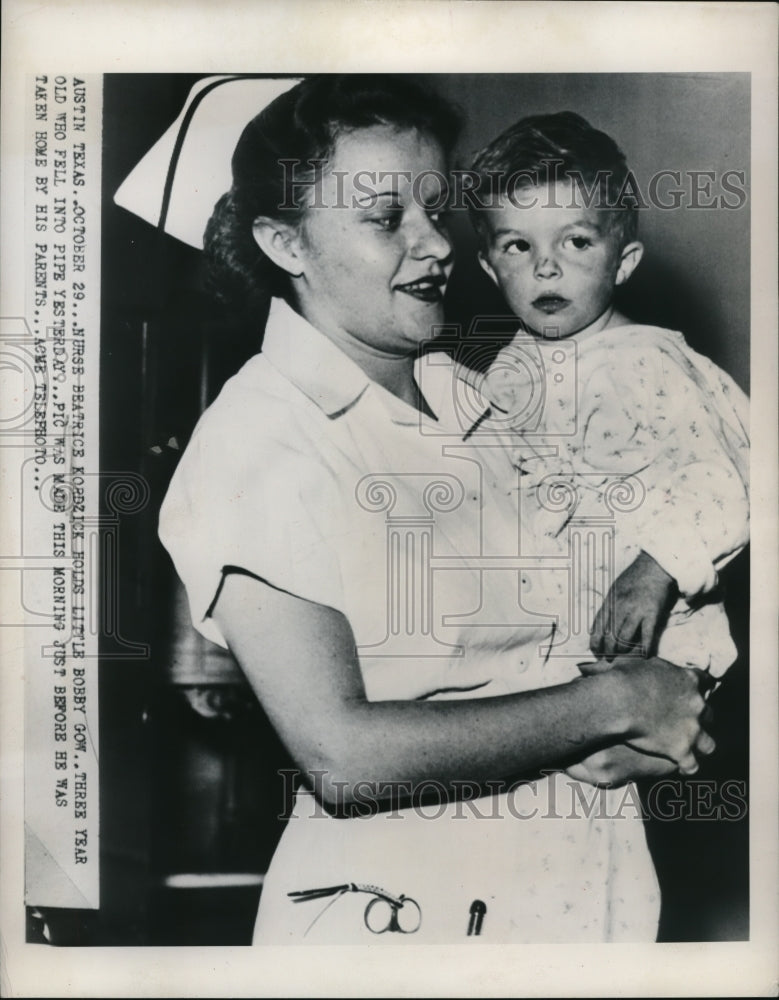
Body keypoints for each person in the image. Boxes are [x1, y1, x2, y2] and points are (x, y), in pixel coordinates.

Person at [158, 76, 714, 944]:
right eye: (385, 220)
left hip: (586, 890)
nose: (434, 245)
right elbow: (340, 756)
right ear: (284, 242)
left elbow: (604, 609)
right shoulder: (260, 441)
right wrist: (613, 707)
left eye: (435, 208)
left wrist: (655, 715)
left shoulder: (477, 393)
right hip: (409, 919)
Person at [465, 112, 749, 710]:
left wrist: (655, 569)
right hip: (552, 645)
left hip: (654, 638)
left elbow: (725, 486)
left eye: (576, 241)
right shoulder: (510, 372)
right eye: (518, 245)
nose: (546, 266)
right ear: (490, 269)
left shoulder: (646, 362)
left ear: (623, 260)